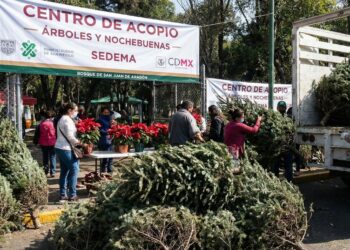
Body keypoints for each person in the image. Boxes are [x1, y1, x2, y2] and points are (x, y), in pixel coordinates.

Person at [55, 103, 81, 202]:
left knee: (64, 171)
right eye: (75, 110)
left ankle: (62, 195)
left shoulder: (63, 118)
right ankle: (72, 195)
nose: (76, 112)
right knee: (74, 170)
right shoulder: (67, 120)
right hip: (65, 148)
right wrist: (80, 143)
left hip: (60, 147)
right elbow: (70, 136)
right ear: (70, 110)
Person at [273, 101, 294, 182]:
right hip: (287, 147)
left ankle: (275, 181)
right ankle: (289, 182)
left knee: (276, 165)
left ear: (277, 108)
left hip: (278, 146)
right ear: (285, 108)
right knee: (288, 166)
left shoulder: (274, 118)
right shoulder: (289, 118)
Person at [38, 110, 57, 177]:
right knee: (53, 157)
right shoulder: (53, 124)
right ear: (51, 116)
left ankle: (46, 171)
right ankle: (53, 172)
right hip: (52, 142)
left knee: (45, 157)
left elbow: (39, 133)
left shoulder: (41, 124)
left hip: (43, 143)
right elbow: (54, 133)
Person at [97, 107, 114, 173]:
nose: (106, 114)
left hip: (111, 140)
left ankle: (110, 172)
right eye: (105, 112)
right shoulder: (99, 120)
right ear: (102, 113)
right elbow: (99, 130)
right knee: (105, 158)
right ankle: (103, 172)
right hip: (103, 140)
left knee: (111, 158)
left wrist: (113, 125)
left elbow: (113, 128)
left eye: (108, 112)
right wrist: (108, 132)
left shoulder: (111, 119)